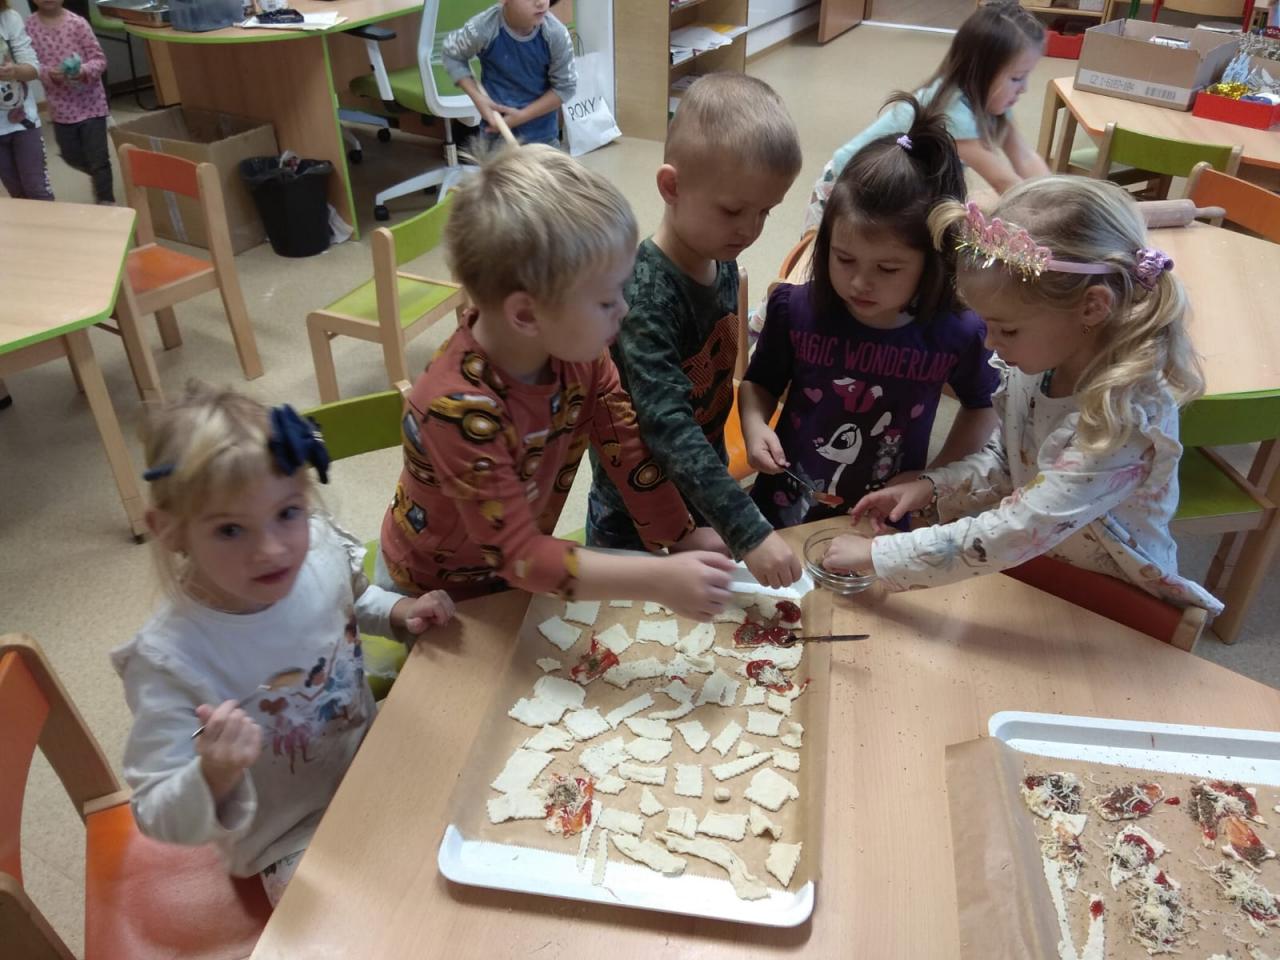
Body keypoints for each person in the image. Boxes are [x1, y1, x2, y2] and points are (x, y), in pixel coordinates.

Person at [112, 384, 456, 906]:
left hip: (373, 761)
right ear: (171, 531)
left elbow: (350, 597)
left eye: (288, 513)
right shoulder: (169, 659)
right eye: (231, 530)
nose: (271, 549)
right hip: (288, 836)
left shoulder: (316, 551)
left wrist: (398, 612)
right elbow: (154, 808)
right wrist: (213, 773)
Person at [825, 177, 1222, 616]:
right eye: (988, 325)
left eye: (1007, 329)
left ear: (1092, 307)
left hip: (1116, 600)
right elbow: (1010, 460)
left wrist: (879, 555)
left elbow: (1020, 528)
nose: (990, 344)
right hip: (1039, 573)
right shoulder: (1039, 362)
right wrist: (931, 487)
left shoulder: (1124, 416)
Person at [378, 144, 736, 620]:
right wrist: (657, 578)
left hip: (519, 574)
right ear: (527, 315)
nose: (625, 310)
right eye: (607, 301)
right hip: (432, 590)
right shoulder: (455, 408)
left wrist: (680, 536)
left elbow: (628, 450)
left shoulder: (581, 356)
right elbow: (520, 556)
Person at [585, 73, 805, 589]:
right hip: (635, 516)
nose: (750, 229)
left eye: (765, 212)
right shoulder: (646, 296)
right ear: (672, 187)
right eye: (733, 210)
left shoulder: (717, 253)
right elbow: (666, 428)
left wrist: (750, 425)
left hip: (699, 492)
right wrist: (749, 531)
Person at [740, 97, 999, 529]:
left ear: (933, 261)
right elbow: (759, 382)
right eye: (844, 259)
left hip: (880, 517)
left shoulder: (957, 332)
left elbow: (983, 406)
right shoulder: (796, 309)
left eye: (887, 269)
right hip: (784, 503)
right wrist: (753, 424)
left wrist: (934, 476)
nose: (860, 282)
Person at [802, 0, 1048, 234]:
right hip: (846, 187)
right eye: (1017, 78)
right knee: (829, 256)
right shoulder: (952, 114)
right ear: (980, 72)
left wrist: (1058, 198)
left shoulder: (993, 102)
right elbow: (1003, 181)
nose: (1024, 88)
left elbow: (1025, 157)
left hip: (893, 193)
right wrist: (1052, 217)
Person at [442, 0, 576, 147]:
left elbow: (565, 88)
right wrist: (477, 97)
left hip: (543, 141)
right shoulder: (485, 27)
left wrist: (521, 116)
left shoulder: (555, 34)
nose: (542, 2)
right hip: (494, 141)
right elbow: (452, 53)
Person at [25, 0, 114, 204]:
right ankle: (96, 173)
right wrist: (49, 74)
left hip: (92, 105)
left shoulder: (77, 23)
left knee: (99, 159)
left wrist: (83, 70)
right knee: (70, 155)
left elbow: (99, 60)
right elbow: (31, 64)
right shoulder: (29, 26)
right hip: (61, 108)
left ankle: (107, 200)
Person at [0, 0, 53, 201]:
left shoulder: (8, 18)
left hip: (23, 122)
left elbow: (33, 69)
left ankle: (52, 223)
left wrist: (14, 71)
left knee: (37, 189)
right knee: (17, 195)